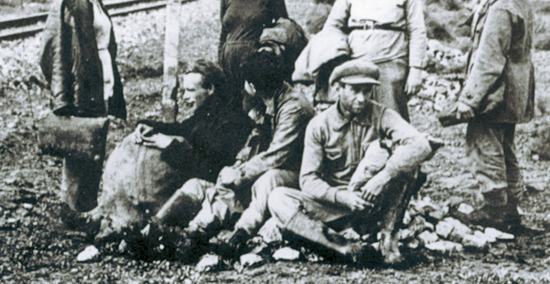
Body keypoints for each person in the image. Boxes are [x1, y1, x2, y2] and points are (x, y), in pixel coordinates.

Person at [141, 50, 314, 261]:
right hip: (265, 172)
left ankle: (230, 235)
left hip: (296, 176)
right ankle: (166, 232)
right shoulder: (268, 101)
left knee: (266, 179)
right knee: (203, 185)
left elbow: (276, 156)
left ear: (251, 85)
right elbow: (254, 141)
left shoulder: (293, 107)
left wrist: (239, 173)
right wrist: (238, 165)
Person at [268, 59, 432, 265]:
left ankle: (388, 241)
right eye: (354, 90)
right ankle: (344, 248)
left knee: (408, 162)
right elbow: (309, 180)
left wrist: (382, 177)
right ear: (338, 89)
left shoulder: (382, 115)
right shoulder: (319, 125)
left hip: (374, 202)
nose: (362, 98)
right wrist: (342, 197)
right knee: (278, 198)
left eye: (367, 91)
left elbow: (421, 144)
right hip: (334, 207)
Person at [69, 61, 251, 240]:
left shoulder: (230, 121)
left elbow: (209, 169)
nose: (185, 97)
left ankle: (133, 227)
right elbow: (181, 128)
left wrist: (170, 146)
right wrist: (148, 126)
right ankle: (103, 215)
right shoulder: (208, 113)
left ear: (210, 89)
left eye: (190, 90)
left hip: (212, 194)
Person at [450, 0, 534, 231]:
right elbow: (496, 25)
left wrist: (468, 100)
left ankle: (494, 214)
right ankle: (511, 212)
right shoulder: (515, 0)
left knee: (484, 147)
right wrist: (475, 3)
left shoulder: (501, 8)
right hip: (512, 94)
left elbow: (488, 59)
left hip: (494, 94)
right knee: (505, 149)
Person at [40, 0, 126, 213]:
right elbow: (53, 51)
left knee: (94, 148)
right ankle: (72, 211)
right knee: (79, 151)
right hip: (83, 86)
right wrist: (62, 96)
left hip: (102, 82)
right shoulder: (69, 1)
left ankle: (85, 210)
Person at [322, 0, 427, 120]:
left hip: (391, 66)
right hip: (355, 65)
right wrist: (338, 55)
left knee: (392, 122)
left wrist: (416, 70)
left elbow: (417, 31)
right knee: (354, 121)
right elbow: (332, 25)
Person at [219, 0, 288, 98]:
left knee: (253, 110)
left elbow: (285, 30)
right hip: (229, 67)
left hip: (255, 66)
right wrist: (220, 64)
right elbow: (224, 34)